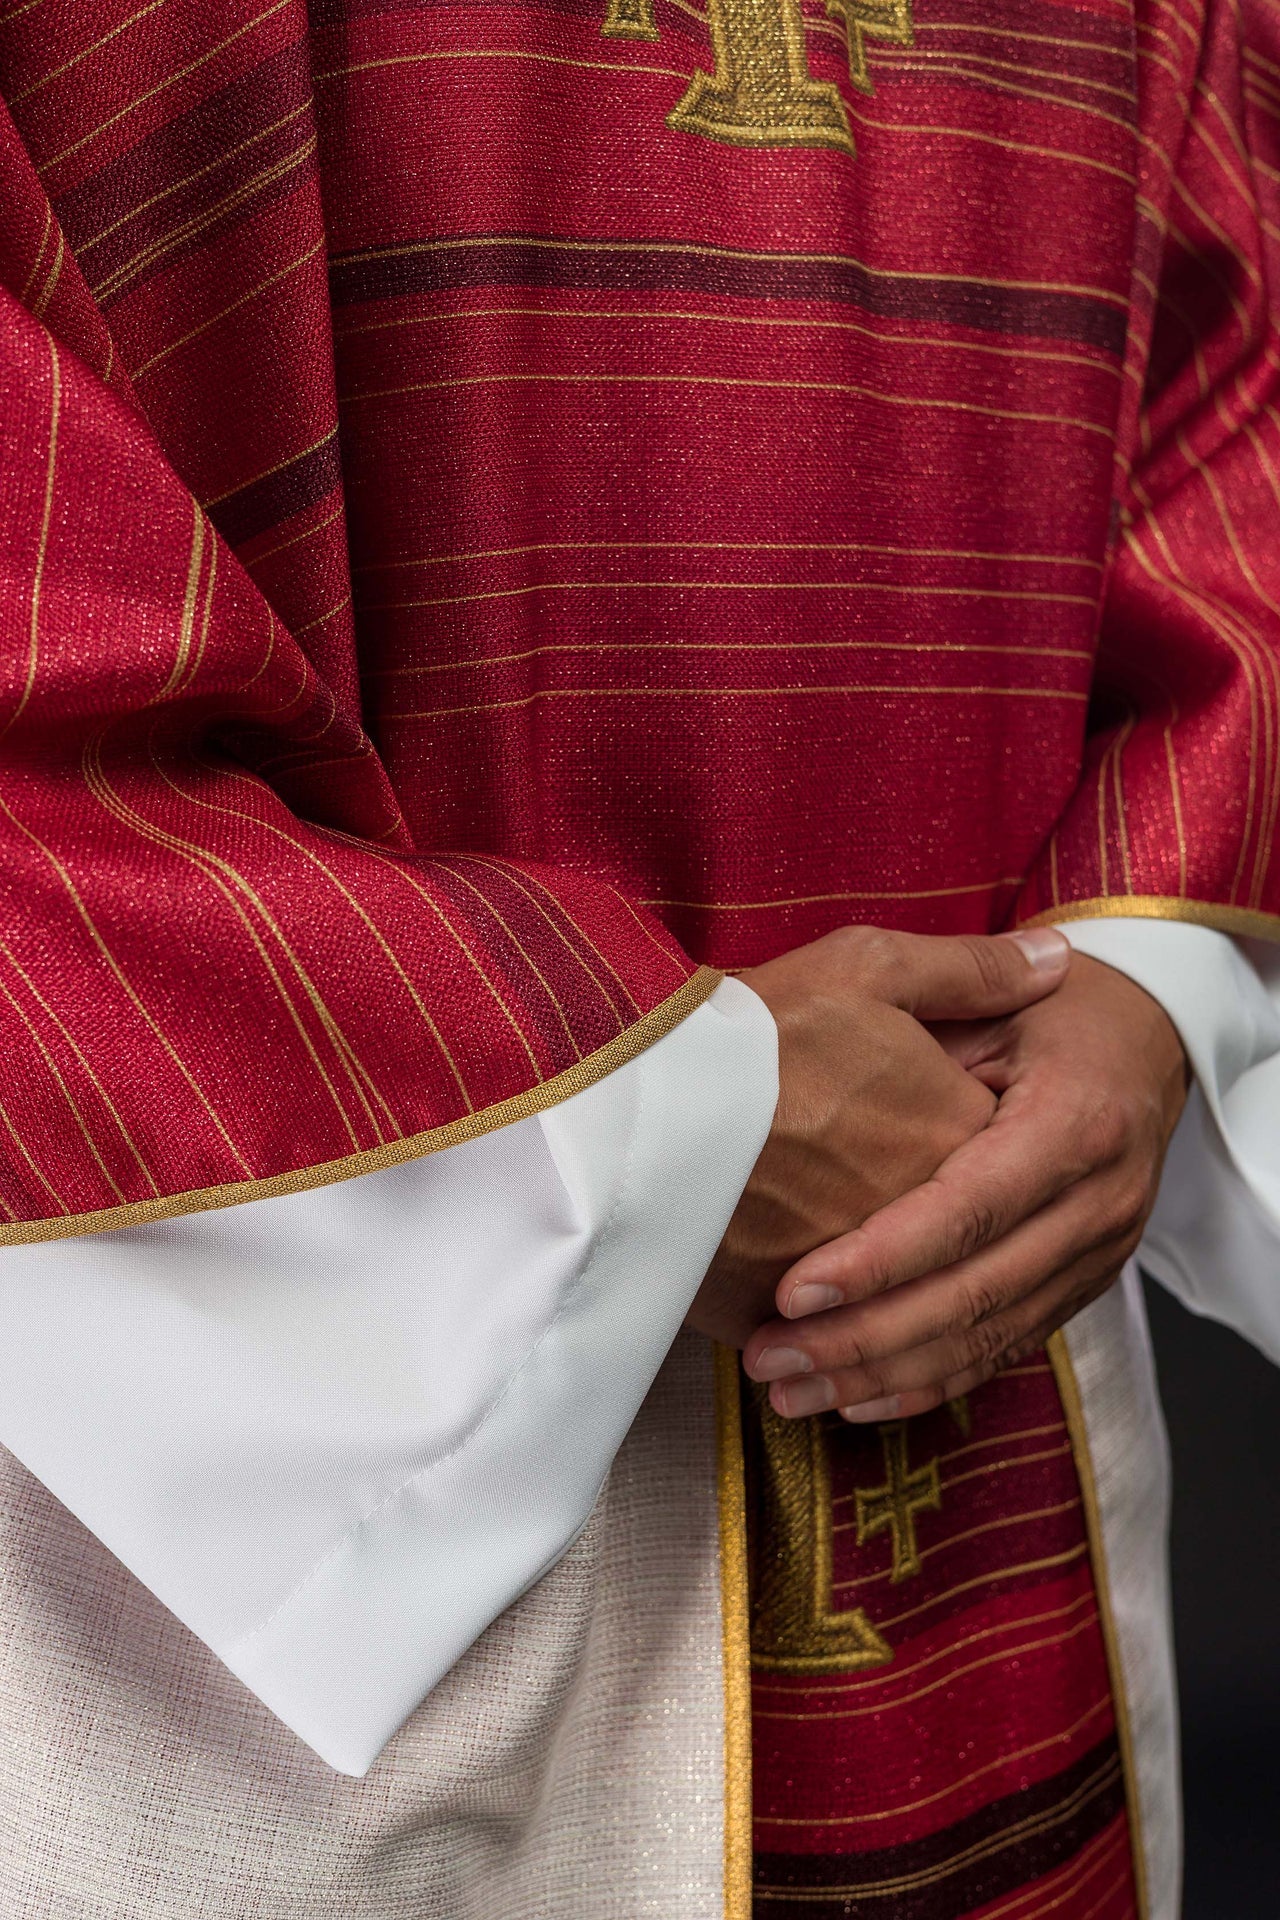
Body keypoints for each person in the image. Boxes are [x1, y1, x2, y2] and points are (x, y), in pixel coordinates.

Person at [0, 1, 1279, 1916]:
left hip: (1004, 1327)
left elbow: (1235, 373)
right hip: (292, 1402)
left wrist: (1151, 979)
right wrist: (655, 1117)